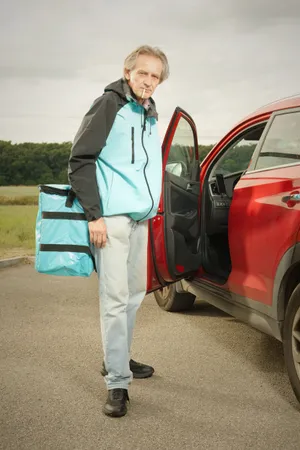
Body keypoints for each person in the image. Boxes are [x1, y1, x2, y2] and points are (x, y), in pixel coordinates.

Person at [68, 45, 170, 417]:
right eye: (143, 73)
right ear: (128, 73)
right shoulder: (109, 104)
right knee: (114, 299)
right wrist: (94, 215)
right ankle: (116, 383)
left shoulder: (148, 113)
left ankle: (119, 360)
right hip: (109, 219)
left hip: (139, 219)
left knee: (134, 294)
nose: (148, 81)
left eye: (155, 76)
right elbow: (80, 160)